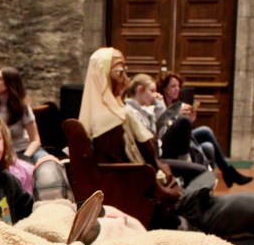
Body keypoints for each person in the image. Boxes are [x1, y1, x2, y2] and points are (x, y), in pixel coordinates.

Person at [76, 48, 183, 229]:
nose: (126, 80)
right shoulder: (107, 121)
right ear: (103, 78)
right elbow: (121, 165)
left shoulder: (118, 111)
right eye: (120, 73)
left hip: (142, 175)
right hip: (129, 189)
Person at [158, 72, 253, 187]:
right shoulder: (160, 104)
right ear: (164, 88)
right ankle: (227, 172)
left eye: (178, 86)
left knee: (208, 145)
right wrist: (178, 116)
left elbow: (184, 130)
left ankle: (211, 182)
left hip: (179, 140)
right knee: (205, 131)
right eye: (173, 86)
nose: (177, 89)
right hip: (165, 144)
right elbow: (164, 128)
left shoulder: (177, 104)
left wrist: (191, 119)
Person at [125, 73, 208, 186]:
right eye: (151, 91)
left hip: (157, 153)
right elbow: (153, 138)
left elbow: (158, 130)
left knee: (206, 149)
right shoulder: (131, 112)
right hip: (152, 160)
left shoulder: (146, 110)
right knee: (200, 170)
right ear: (140, 90)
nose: (154, 95)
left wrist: (159, 107)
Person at [0, 66, 47, 164]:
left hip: (24, 150)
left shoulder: (22, 107)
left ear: (10, 83)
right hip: (1, 152)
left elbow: (35, 140)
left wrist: (25, 157)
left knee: (46, 161)